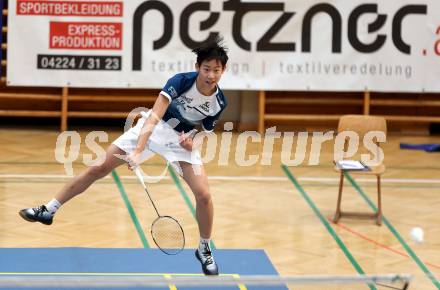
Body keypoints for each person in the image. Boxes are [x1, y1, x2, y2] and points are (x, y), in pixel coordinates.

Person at [19, 36, 229, 276]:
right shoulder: (180, 82)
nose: (210, 75)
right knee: (98, 167)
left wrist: (193, 141)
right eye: (206, 69)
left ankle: (204, 248)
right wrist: (138, 150)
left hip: (179, 142)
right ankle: (49, 209)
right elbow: (153, 117)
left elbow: (205, 131)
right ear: (197, 68)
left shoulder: (219, 101)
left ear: (223, 71)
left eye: (216, 70)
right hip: (153, 129)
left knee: (204, 195)